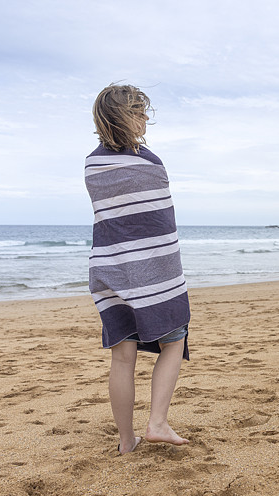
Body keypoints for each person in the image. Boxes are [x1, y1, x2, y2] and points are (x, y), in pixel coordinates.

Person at [84, 84, 191, 454]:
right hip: (154, 271)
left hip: (109, 268)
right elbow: (157, 222)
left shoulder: (92, 164)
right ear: (121, 116)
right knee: (174, 340)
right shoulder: (149, 162)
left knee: (122, 355)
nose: (145, 119)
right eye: (138, 112)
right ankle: (157, 422)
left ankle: (127, 441)